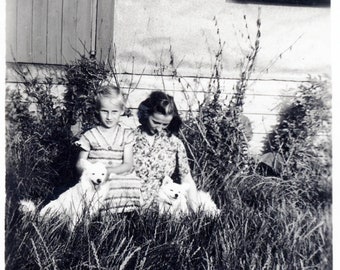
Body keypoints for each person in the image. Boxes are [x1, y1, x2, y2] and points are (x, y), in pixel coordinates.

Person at [75, 85, 140, 213]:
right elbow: (80, 163)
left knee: (131, 182)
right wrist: (91, 172)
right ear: (97, 110)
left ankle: (123, 216)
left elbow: (128, 164)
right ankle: (97, 217)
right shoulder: (89, 136)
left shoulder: (126, 135)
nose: (109, 117)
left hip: (116, 176)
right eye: (105, 111)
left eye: (114, 112)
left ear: (122, 110)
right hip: (95, 178)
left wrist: (109, 171)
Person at [133, 91, 194, 208]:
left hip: (164, 206)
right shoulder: (129, 139)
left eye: (165, 124)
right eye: (155, 122)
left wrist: (196, 211)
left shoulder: (174, 143)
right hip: (131, 204)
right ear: (146, 114)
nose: (159, 129)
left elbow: (186, 178)